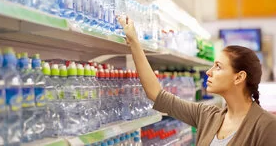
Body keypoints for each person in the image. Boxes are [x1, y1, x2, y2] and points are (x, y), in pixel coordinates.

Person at [118, 16, 276, 146]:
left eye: (218, 67)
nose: (209, 72)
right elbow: (157, 95)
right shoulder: (208, 116)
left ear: (239, 77)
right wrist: (134, 43)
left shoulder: (266, 125)